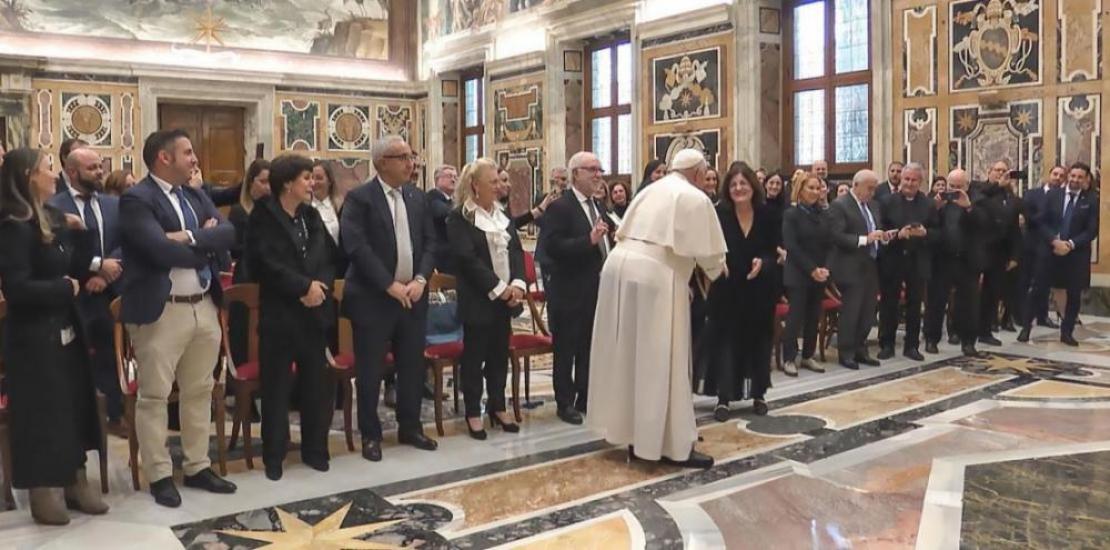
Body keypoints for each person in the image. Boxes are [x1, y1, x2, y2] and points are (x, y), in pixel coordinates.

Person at [119, 129, 238, 507]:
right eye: (187, 152)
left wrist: (184, 238)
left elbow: (229, 232)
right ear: (163, 158)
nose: (195, 159)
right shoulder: (137, 198)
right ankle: (158, 473)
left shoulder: (195, 194)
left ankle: (197, 464)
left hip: (203, 304)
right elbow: (156, 250)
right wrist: (203, 240)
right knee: (154, 395)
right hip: (161, 310)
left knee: (199, 390)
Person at [588, 148, 726, 470]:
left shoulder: (651, 189)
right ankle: (673, 446)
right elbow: (712, 258)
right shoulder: (693, 197)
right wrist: (718, 269)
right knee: (664, 360)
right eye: (705, 175)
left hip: (618, 268)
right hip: (655, 276)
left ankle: (637, 438)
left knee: (629, 358)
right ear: (696, 174)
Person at [0, 147, 108, 525]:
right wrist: (64, 289)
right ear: (29, 176)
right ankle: (44, 486)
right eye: (48, 169)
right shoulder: (13, 224)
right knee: (44, 412)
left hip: (65, 327)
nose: (54, 175)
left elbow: (73, 265)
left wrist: (78, 233)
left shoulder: (50, 217)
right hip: (33, 336)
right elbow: (17, 288)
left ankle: (75, 478)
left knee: (72, 404)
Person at [339, 135, 438, 461]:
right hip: (373, 298)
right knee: (371, 370)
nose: (411, 164)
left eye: (412, 157)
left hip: (413, 295)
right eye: (403, 157)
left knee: (412, 365)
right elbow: (356, 247)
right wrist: (388, 285)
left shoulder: (417, 196)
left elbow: (429, 243)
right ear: (382, 162)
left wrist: (421, 278)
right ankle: (371, 434)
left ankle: (410, 426)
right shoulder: (359, 198)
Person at [246, 154, 335, 480]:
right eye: (306, 178)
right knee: (276, 387)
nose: (312, 184)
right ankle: (274, 455)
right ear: (287, 183)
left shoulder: (310, 216)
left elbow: (327, 256)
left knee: (315, 385)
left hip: (314, 313)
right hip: (280, 314)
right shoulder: (263, 217)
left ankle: (315, 449)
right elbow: (264, 264)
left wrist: (318, 287)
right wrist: (302, 287)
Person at [48, 148, 127, 437]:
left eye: (100, 166)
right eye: (92, 167)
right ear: (72, 172)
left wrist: (107, 274)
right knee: (74, 359)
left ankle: (115, 415)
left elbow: (125, 241)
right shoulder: (54, 206)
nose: (99, 171)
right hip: (74, 293)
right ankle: (78, 421)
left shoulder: (112, 204)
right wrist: (95, 267)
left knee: (110, 354)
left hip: (110, 293)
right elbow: (58, 251)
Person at [446, 158, 526, 440]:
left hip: (506, 300)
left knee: (498, 356)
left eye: (499, 180)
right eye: (492, 181)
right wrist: (499, 288)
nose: (498, 186)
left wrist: (517, 284)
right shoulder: (459, 218)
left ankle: (498, 406)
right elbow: (467, 260)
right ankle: (472, 412)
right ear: (474, 186)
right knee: (474, 357)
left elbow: (516, 251)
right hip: (479, 299)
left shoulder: (502, 215)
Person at [697, 162, 777, 419]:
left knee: (758, 342)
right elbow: (708, 248)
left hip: (758, 290)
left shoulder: (767, 214)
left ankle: (758, 394)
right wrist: (717, 264)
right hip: (727, 289)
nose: (739, 188)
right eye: (733, 184)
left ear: (753, 186)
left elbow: (774, 250)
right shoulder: (718, 214)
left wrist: (763, 262)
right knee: (725, 343)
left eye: (743, 183)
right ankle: (724, 397)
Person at [543, 151, 614, 425]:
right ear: (575, 175)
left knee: (588, 348)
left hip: (595, 291)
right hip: (568, 293)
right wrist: (588, 240)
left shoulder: (598, 206)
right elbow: (552, 246)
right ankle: (564, 402)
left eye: (600, 169)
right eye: (592, 170)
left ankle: (585, 396)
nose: (598, 175)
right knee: (566, 350)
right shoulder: (561, 207)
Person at [1019, 163, 1100, 346]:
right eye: (1073, 176)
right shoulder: (1054, 195)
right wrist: (1054, 240)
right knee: (1038, 290)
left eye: (1080, 177)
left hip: (1075, 255)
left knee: (1073, 295)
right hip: (1050, 250)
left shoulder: (1091, 200)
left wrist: (1070, 244)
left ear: (1086, 179)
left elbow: (1091, 230)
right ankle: (1026, 329)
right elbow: (1041, 222)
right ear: (1068, 176)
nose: (1075, 180)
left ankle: (1067, 332)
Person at [923, 169, 988, 356]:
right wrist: (935, 208)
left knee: (969, 304)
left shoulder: (978, 200)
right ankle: (931, 339)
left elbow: (984, 225)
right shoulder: (937, 200)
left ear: (967, 186)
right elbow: (927, 226)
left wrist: (968, 208)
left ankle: (968, 341)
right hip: (942, 260)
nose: (954, 190)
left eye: (959, 187)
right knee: (935, 302)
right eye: (951, 186)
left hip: (967, 261)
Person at [827, 169, 887, 370]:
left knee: (868, 311)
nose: (872, 192)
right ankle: (846, 352)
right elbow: (837, 236)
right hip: (849, 267)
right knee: (851, 312)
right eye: (870, 188)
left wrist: (882, 236)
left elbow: (873, 228)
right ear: (856, 185)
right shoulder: (840, 205)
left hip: (870, 265)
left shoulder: (873, 205)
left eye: (874, 188)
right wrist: (865, 239)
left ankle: (861, 349)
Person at [876, 162, 936, 361]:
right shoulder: (886, 202)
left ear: (921, 182)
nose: (909, 183)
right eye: (906, 179)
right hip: (892, 259)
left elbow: (938, 232)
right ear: (901, 180)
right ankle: (887, 344)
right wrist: (897, 235)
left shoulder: (928, 203)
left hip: (918, 261)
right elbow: (880, 231)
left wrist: (925, 232)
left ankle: (912, 346)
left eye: (914, 180)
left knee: (914, 304)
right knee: (889, 304)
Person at [781, 173, 830, 376]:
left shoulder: (822, 213)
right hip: (799, 273)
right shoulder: (791, 215)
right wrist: (811, 269)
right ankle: (789, 358)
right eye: (811, 188)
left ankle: (808, 355)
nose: (815, 192)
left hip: (819, 273)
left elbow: (828, 243)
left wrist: (824, 269)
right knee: (796, 317)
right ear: (800, 190)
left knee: (813, 316)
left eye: (818, 188)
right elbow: (792, 246)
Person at [975, 161, 1021, 346]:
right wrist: (996, 186)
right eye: (998, 170)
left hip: (999, 252)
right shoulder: (979, 188)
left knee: (992, 293)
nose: (1001, 174)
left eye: (1004, 171)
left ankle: (985, 331)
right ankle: (962, 331)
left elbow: (1015, 228)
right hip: (979, 249)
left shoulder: (1010, 197)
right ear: (990, 171)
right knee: (970, 293)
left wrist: (1015, 255)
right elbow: (977, 200)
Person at [1018, 165, 1066, 330]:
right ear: (1049, 174)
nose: (1057, 177)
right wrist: (1042, 218)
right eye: (1055, 174)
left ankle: (1042, 316)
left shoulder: (1063, 197)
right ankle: (1021, 316)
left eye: (1061, 176)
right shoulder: (1032, 194)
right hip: (1030, 243)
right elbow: (1028, 217)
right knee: (1025, 280)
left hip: (1049, 244)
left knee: (1044, 282)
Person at [227, 159, 271, 284]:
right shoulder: (239, 211)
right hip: (247, 277)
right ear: (251, 182)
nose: (268, 187)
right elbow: (234, 248)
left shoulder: (275, 210)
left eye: (270, 182)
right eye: (263, 182)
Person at [310, 160, 348, 278]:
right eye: (311, 178)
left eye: (319, 178)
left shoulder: (339, 205)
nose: (314, 182)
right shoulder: (305, 208)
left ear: (329, 181)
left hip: (337, 268)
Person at [426, 164, 458, 273]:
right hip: (441, 257)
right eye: (449, 176)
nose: (453, 180)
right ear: (438, 179)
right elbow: (443, 213)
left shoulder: (452, 201)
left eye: (455, 177)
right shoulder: (433, 197)